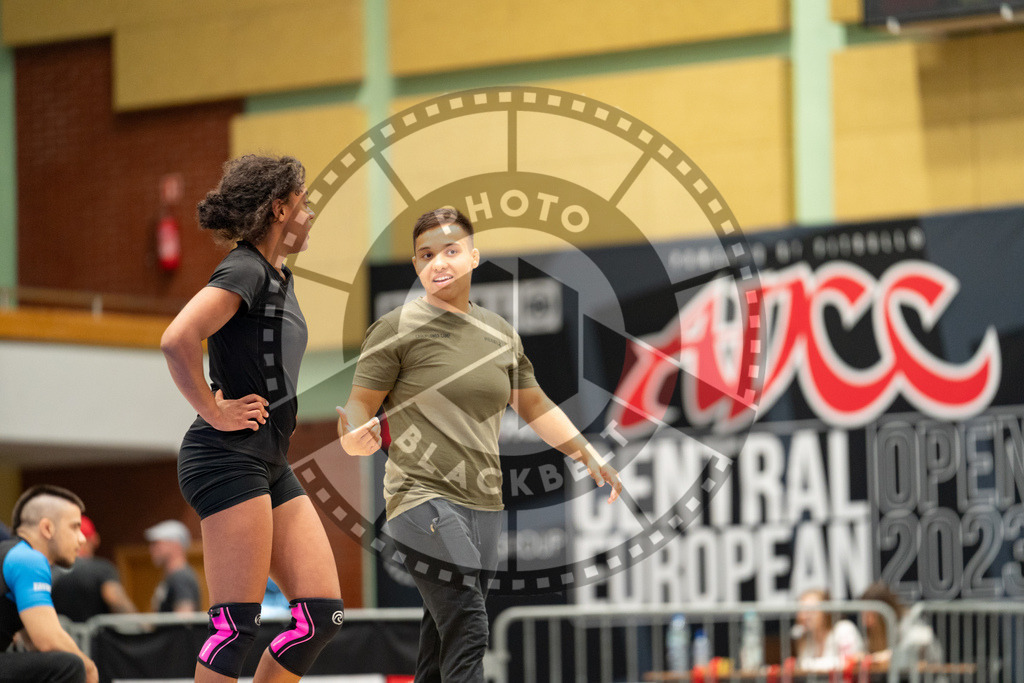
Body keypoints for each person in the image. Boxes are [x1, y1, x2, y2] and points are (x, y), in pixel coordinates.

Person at [336, 207, 623, 683]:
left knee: (441, 639)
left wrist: (585, 452)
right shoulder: (396, 328)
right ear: (416, 266)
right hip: (418, 499)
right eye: (426, 255)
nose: (438, 263)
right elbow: (359, 408)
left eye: (450, 251)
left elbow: (534, 405)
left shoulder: (499, 333)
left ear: (472, 257)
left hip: (484, 506)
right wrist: (354, 441)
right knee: (468, 623)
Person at [161, 154, 343, 682]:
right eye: (304, 203)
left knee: (319, 617)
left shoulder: (279, 277)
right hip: (225, 457)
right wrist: (212, 410)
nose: (309, 214)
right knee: (235, 627)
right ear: (280, 208)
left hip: (268, 460)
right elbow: (177, 339)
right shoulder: (245, 268)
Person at [0, 485, 99, 683]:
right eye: (74, 527)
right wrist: (89, 669)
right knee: (71, 665)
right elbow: (48, 640)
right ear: (47, 528)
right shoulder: (29, 560)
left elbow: (32, 640)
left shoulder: (11, 552)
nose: (81, 539)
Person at [51, 514, 136, 623]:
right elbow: (114, 598)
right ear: (95, 539)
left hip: (59, 636)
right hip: (94, 638)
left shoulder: (51, 570)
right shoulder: (102, 569)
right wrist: (139, 624)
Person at [860, 580, 942, 671]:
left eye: (868, 615)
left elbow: (920, 643)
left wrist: (889, 656)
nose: (865, 621)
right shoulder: (872, 633)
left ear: (883, 611)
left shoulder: (910, 621)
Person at [793, 588, 864, 671]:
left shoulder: (843, 630)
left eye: (811, 611)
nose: (804, 616)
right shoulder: (806, 640)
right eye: (801, 611)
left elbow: (852, 662)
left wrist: (810, 665)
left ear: (826, 612)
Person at [145, 520, 201, 614]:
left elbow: (185, 617)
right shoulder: (173, 577)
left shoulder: (181, 577)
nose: (151, 549)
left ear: (175, 545)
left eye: (157, 543)